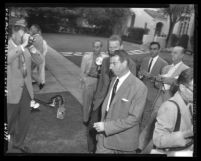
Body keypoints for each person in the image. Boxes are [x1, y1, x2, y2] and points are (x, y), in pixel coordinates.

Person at [87, 35, 137, 153]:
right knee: (92, 130)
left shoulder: (130, 64)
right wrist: (95, 100)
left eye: (115, 47)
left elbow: (130, 89)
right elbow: (101, 82)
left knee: (108, 134)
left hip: (115, 107)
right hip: (100, 103)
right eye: (110, 47)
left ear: (121, 46)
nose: (112, 50)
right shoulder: (105, 61)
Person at [93, 50, 147, 153]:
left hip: (123, 143)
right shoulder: (113, 80)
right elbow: (108, 107)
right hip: (103, 140)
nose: (110, 67)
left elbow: (134, 119)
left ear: (125, 63)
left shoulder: (139, 87)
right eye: (110, 63)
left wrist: (106, 126)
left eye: (114, 63)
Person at [7, 19, 43, 153]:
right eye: (21, 34)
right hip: (11, 91)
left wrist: (31, 47)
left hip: (26, 91)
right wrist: (22, 46)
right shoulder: (9, 45)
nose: (23, 37)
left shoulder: (27, 47)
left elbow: (40, 61)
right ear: (13, 32)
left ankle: (19, 143)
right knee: (9, 121)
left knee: (24, 121)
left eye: (25, 34)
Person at [151, 68, 194, 156]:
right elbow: (158, 140)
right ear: (182, 88)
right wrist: (188, 133)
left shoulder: (190, 103)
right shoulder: (170, 107)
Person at [137, 42, 168, 152]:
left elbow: (162, 84)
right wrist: (141, 75)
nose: (152, 51)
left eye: (155, 49)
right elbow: (139, 75)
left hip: (152, 95)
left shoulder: (164, 64)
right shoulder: (145, 60)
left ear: (159, 50)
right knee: (137, 117)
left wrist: (152, 77)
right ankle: (134, 139)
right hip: (141, 93)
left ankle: (140, 144)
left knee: (146, 120)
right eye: (151, 49)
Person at [80, 40, 107, 124]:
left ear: (101, 47)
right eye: (94, 47)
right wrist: (85, 80)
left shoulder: (105, 58)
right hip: (90, 80)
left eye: (98, 47)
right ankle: (85, 119)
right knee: (86, 101)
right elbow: (82, 71)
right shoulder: (86, 57)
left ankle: (93, 117)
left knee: (97, 102)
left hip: (100, 82)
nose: (95, 49)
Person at [29, 24, 45, 90]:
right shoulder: (40, 37)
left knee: (29, 71)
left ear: (36, 30)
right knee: (31, 71)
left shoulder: (32, 38)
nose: (30, 29)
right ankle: (39, 82)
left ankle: (40, 82)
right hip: (39, 58)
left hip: (34, 58)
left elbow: (26, 47)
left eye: (32, 28)